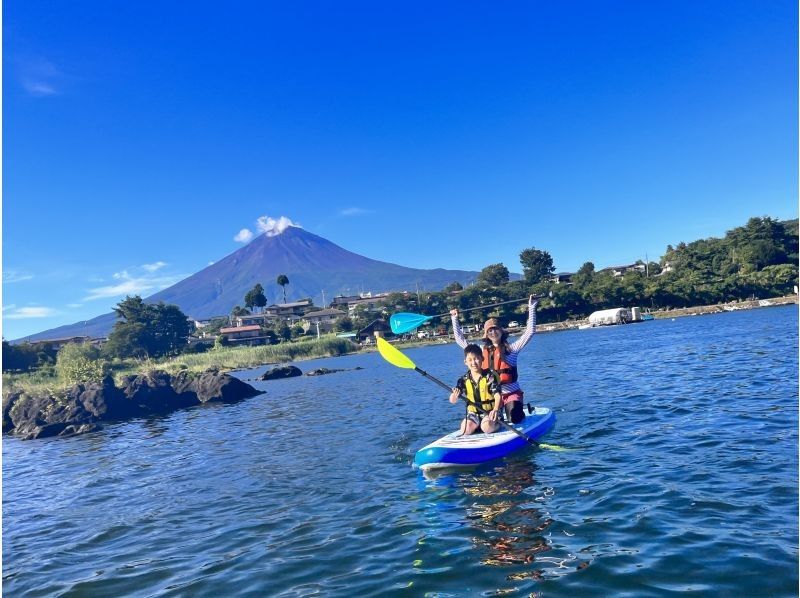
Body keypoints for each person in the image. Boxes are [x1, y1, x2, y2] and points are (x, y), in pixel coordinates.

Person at [450, 294, 538, 424]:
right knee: (490, 419)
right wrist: (454, 318)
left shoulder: (512, 350)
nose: (493, 332)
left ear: (501, 331)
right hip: (491, 397)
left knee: (514, 418)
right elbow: (460, 340)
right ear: (486, 334)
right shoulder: (480, 351)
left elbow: (530, 332)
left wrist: (532, 307)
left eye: (496, 329)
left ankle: (518, 410)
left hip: (510, 394)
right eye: (490, 331)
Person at [449, 344, 502, 435]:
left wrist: (496, 409)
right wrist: (454, 396)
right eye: (470, 360)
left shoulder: (490, 376)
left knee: (487, 427)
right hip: (473, 414)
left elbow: (497, 395)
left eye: (476, 358)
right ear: (465, 362)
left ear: (482, 359)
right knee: (465, 429)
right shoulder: (463, 380)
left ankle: (498, 424)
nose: (473, 362)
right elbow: (452, 401)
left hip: (490, 412)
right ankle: (478, 426)